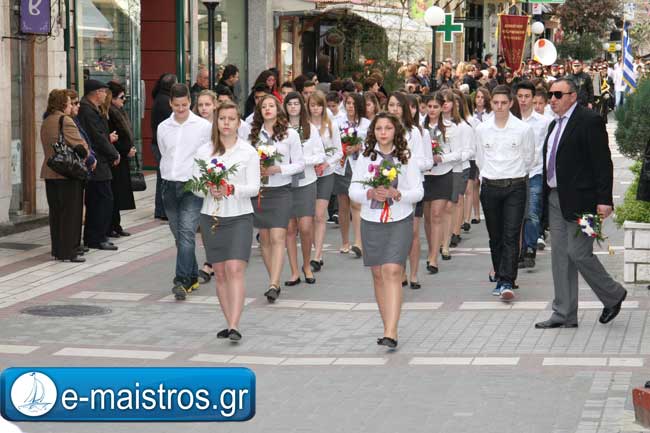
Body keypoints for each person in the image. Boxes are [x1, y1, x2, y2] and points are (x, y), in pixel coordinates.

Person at [535, 78, 627, 329]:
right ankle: (564, 313)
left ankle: (613, 294)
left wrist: (605, 200)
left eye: (557, 95)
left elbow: (603, 162)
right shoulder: (554, 124)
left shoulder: (589, 121)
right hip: (556, 200)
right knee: (560, 256)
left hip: (586, 205)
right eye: (550, 95)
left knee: (579, 253)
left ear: (573, 96)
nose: (552, 99)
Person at [349, 112, 424, 349]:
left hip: (399, 219)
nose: (383, 133)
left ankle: (392, 331)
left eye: (388, 128)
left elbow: (418, 192)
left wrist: (398, 194)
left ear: (396, 131)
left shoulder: (406, 157)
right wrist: (370, 193)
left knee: (392, 270)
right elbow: (353, 190)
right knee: (378, 274)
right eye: (379, 128)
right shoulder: (365, 157)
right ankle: (387, 326)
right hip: (371, 220)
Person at [193, 101, 260, 341]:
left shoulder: (248, 152)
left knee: (235, 268)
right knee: (220, 272)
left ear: (238, 123)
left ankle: (234, 325)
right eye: (222, 119)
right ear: (216, 122)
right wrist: (209, 189)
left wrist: (231, 189)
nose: (226, 123)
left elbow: (254, 187)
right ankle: (228, 320)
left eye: (231, 119)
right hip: (211, 216)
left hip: (240, 216)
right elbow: (195, 186)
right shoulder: (204, 152)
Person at [475, 85, 535, 301]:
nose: (499, 107)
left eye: (503, 103)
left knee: (511, 234)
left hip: (515, 186)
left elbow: (529, 159)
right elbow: (480, 158)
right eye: (495, 103)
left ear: (511, 103)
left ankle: (507, 281)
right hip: (490, 186)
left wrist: (513, 173)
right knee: (495, 236)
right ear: (491, 104)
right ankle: (500, 275)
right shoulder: (482, 129)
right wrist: (491, 174)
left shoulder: (523, 129)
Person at [158, 83, 213, 300]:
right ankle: (191, 275)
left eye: (184, 104)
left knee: (187, 233)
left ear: (190, 102)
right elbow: (164, 152)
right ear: (170, 103)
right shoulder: (163, 127)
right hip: (168, 185)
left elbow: (209, 154)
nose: (181, 109)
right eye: (176, 105)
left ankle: (181, 281)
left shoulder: (202, 126)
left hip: (192, 186)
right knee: (179, 236)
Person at [249, 94, 305, 302]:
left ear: (278, 109)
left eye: (271, 105)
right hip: (260, 191)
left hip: (281, 190)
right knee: (264, 238)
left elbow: (299, 164)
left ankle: (273, 284)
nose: (267, 109)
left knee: (277, 237)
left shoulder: (290, 134)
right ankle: (274, 279)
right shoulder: (253, 135)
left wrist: (278, 169)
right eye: (264, 106)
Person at [386, 92, 431, 288]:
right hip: (389, 188)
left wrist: (405, 160)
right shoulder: (382, 129)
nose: (394, 109)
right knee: (394, 233)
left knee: (412, 232)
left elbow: (424, 161)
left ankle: (413, 273)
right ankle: (400, 271)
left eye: (398, 105)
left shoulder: (414, 132)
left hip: (410, 188)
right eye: (391, 105)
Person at [40, 89, 89, 263]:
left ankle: (58, 250)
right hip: (67, 172)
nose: (70, 105)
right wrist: (86, 152)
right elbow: (80, 147)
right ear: (62, 104)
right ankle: (69, 251)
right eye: (69, 102)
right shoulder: (65, 120)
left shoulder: (47, 120)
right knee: (71, 214)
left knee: (56, 214)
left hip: (50, 171)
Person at [283, 92, 325, 286]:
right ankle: (294, 271)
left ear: (302, 106)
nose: (293, 107)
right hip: (285, 183)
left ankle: (307, 265)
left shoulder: (310, 128)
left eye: (296, 103)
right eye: (289, 104)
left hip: (306, 182)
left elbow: (320, 155)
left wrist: (301, 161)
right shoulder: (281, 128)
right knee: (290, 228)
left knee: (306, 227)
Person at [77, 79, 121, 251]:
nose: (105, 95)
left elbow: (100, 135)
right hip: (96, 162)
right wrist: (113, 153)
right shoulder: (87, 111)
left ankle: (96, 236)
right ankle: (96, 237)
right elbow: (97, 137)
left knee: (101, 199)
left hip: (100, 160)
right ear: (96, 93)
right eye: (103, 91)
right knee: (101, 199)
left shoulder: (93, 109)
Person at [514, 81, 551, 269]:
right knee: (516, 213)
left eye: (527, 96)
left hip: (535, 172)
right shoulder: (511, 120)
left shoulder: (544, 122)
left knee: (532, 211)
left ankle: (530, 247)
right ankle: (518, 250)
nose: (523, 100)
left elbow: (545, 148)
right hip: (513, 173)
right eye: (520, 96)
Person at [308, 90, 343, 272]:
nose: (315, 108)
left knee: (320, 214)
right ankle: (315, 248)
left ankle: (317, 255)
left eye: (318, 105)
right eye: (312, 105)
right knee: (309, 216)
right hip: (308, 174)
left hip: (326, 173)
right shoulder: (304, 126)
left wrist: (326, 164)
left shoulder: (331, 125)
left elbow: (339, 151)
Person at [334, 93, 370, 258]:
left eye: (353, 103)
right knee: (343, 204)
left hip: (359, 166)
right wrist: (342, 149)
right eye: (348, 103)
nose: (350, 106)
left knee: (356, 204)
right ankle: (345, 242)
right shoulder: (338, 122)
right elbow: (333, 142)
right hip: (342, 166)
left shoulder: (366, 124)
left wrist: (357, 147)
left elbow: (371, 143)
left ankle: (358, 242)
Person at [106, 81, 136, 238]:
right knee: (114, 194)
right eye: (121, 97)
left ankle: (116, 225)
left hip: (121, 158)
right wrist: (125, 150)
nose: (124, 100)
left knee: (117, 195)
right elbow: (113, 138)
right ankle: (111, 226)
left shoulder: (119, 111)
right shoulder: (109, 113)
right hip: (115, 159)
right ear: (112, 99)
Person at [151, 73, 178, 220]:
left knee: (162, 177)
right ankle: (163, 210)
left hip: (158, 143)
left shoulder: (159, 97)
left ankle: (161, 209)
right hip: (162, 145)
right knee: (165, 178)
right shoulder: (165, 101)